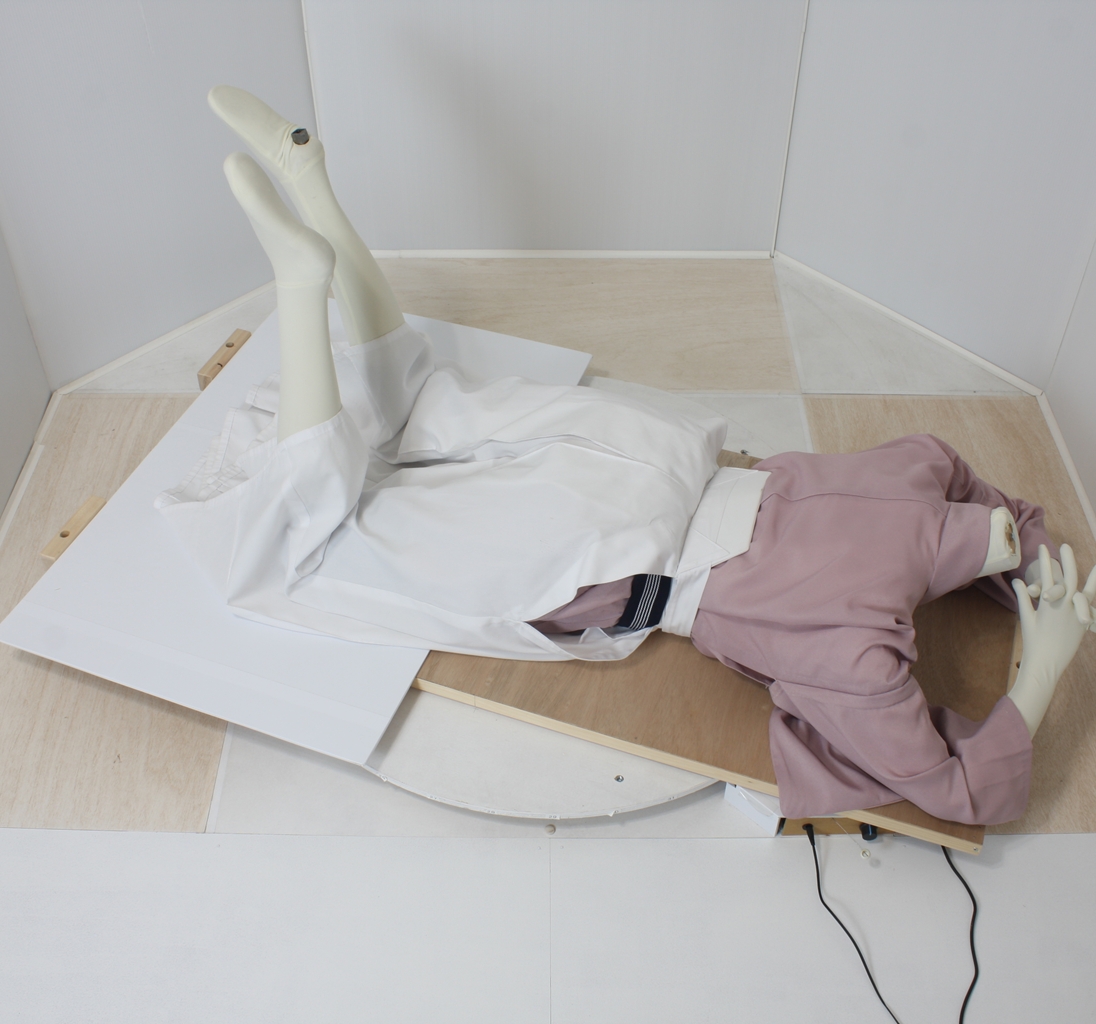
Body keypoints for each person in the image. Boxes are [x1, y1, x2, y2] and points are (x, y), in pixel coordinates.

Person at [160, 87, 1096, 828]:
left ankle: (314, 192)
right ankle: (300, 285)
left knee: (412, 401)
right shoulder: (855, 652)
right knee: (295, 559)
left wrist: (1023, 565)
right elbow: (956, 787)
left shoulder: (916, 471)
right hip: (619, 548)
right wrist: (1040, 672)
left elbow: (992, 511)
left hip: (642, 455)